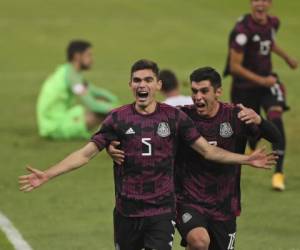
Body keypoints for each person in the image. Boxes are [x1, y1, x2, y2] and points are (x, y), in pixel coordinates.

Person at [19, 60, 276, 250]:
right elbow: (85, 154)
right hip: (126, 211)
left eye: (148, 80)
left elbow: (207, 150)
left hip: (162, 211)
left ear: (158, 85)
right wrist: (48, 174)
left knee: (196, 242)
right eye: (137, 80)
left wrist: (247, 157)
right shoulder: (118, 119)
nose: (142, 85)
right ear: (130, 85)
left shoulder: (175, 118)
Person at [109, 67, 280, 250]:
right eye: (194, 91)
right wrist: (112, 144)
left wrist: (259, 120)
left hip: (225, 205)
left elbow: (277, 137)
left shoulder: (235, 116)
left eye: (204, 91)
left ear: (218, 92)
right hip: (188, 200)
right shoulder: (182, 117)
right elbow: (143, 128)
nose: (198, 96)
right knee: (199, 241)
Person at [224, 0, 298, 191]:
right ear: (251, 3)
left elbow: (268, 42)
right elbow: (235, 67)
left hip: (268, 84)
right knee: (251, 127)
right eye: (257, 0)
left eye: (265, 0)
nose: (261, 4)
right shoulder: (242, 31)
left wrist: (287, 57)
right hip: (244, 88)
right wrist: (261, 80)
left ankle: (278, 174)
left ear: (270, 3)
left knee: (276, 117)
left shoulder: (273, 22)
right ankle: (251, 142)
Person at [37, 40, 120, 139]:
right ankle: (110, 138)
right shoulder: (72, 77)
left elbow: (95, 91)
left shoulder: (68, 71)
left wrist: (115, 101)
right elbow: (92, 105)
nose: (92, 59)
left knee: (104, 103)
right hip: (54, 125)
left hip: (59, 116)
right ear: (77, 56)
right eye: (88, 55)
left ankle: (111, 135)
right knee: (102, 113)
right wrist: (117, 110)